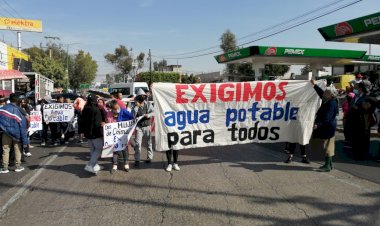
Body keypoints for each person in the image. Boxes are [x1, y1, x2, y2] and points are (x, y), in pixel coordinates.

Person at [310, 80, 338, 172]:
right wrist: (315, 85)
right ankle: (329, 164)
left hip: (328, 128)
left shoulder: (331, 103)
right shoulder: (329, 100)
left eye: (326, 93)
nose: (324, 94)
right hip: (328, 127)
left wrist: (318, 125)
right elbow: (321, 93)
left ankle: (327, 166)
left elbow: (327, 118)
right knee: (328, 146)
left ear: (331, 95)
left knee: (328, 147)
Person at [0, 93, 28, 173]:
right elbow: (22, 125)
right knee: (17, 149)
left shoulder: (3, 109)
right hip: (17, 133)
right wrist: (25, 141)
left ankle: (5, 167)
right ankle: (18, 166)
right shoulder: (19, 110)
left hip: (5, 132)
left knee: (5, 149)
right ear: (17, 100)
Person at [349, 83, 374, 160]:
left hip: (363, 123)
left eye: (357, 88)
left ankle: (362, 155)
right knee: (355, 139)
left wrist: (356, 107)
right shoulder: (356, 97)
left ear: (360, 89)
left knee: (363, 140)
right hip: (355, 122)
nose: (355, 89)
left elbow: (366, 110)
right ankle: (356, 154)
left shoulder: (366, 98)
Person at [81, 94, 105, 174]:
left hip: (87, 133)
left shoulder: (85, 109)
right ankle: (90, 165)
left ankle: (95, 165)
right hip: (95, 133)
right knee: (98, 149)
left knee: (92, 150)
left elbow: (82, 121)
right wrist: (103, 126)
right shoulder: (96, 110)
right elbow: (97, 124)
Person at [109, 100, 133, 173]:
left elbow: (131, 118)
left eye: (117, 107)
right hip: (115, 135)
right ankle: (115, 165)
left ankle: (126, 164)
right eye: (115, 108)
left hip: (123, 134)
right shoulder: (110, 113)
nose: (116, 109)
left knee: (124, 150)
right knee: (115, 150)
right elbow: (108, 122)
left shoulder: (124, 111)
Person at [132, 89, 154, 167]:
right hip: (139, 127)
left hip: (147, 126)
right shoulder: (134, 106)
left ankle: (149, 157)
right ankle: (137, 159)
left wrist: (148, 115)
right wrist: (137, 107)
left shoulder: (148, 104)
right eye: (141, 96)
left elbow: (153, 112)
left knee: (149, 142)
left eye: (143, 96)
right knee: (138, 144)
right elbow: (133, 116)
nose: (142, 97)